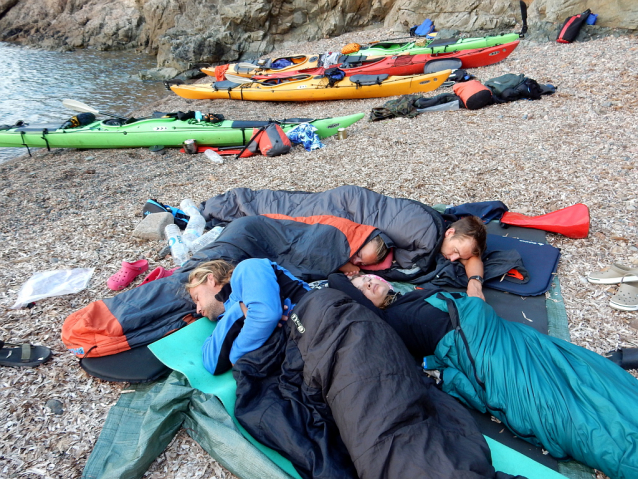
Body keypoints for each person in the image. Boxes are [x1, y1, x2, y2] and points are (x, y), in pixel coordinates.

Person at [329, 272, 638, 479]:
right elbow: (428, 370)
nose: (369, 283)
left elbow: (469, 299)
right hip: (485, 354)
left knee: (587, 373)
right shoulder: (388, 325)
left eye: (368, 278)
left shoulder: (416, 294)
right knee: (563, 412)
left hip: (507, 335)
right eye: (362, 289)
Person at [186, 257, 310, 375]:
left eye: (197, 298)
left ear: (211, 279)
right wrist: (240, 310)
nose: (198, 309)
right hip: (297, 356)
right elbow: (212, 363)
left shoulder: (246, 269)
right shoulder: (226, 321)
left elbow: (266, 315)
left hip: (312, 321)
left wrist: (235, 355)